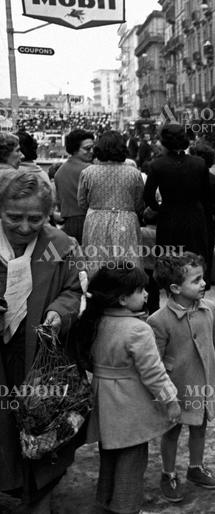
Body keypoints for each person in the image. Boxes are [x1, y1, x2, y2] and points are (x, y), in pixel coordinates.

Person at [0, 170, 83, 513]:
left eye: (35, 218)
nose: (23, 227)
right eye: (13, 217)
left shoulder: (59, 247)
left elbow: (75, 289)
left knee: (43, 425)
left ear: (49, 215)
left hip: (39, 357)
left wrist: (59, 313)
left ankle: (40, 496)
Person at [77, 266, 181, 514]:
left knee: (109, 455)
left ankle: (105, 503)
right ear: (122, 298)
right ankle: (127, 508)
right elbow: (153, 372)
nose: (146, 294)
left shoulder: (94, 321)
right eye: (140, 290)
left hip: (103, 400)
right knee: (133, 459)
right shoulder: (138, 329)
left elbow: (88, 360)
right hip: (129, 404)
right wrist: (171, 400)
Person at [148, 252, 215, 503]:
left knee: (200, 426)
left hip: (204, 384)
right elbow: (155, 360)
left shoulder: (210, 310)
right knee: (172, 431)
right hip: (176, 388)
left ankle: (195, 468)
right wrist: (163, 393)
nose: (204, 284)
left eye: (203, 278)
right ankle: (168, 473)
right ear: (175, 288)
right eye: (196, 281)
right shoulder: (158, 321)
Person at [144, 124, 215, 261]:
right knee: (194, 259)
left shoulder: (157, 165)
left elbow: (148, 196)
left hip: (169, 218)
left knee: (170, 261)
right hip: (195, 218)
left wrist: (160, 208)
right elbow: (207, 197)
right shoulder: (199, 163)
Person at [78, 130, 145, 270]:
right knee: (127, 264)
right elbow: (139, 203)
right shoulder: (134, 173)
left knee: (97, 262)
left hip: (96, 221)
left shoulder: (88, 172)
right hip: (126, 221)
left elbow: (82, 202)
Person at [190, 142, 215, 286]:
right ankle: (202, 281)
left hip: (191, 222)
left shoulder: (188, 178)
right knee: (205, 253)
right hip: (208, 223)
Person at [54, 129, 94, 243]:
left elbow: (59, 202)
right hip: (88, 222)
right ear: (75, 149)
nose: (91, 151)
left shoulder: (59, 172)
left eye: (92, 148)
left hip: (69, 224)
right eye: (87, 149)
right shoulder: (90, 171)